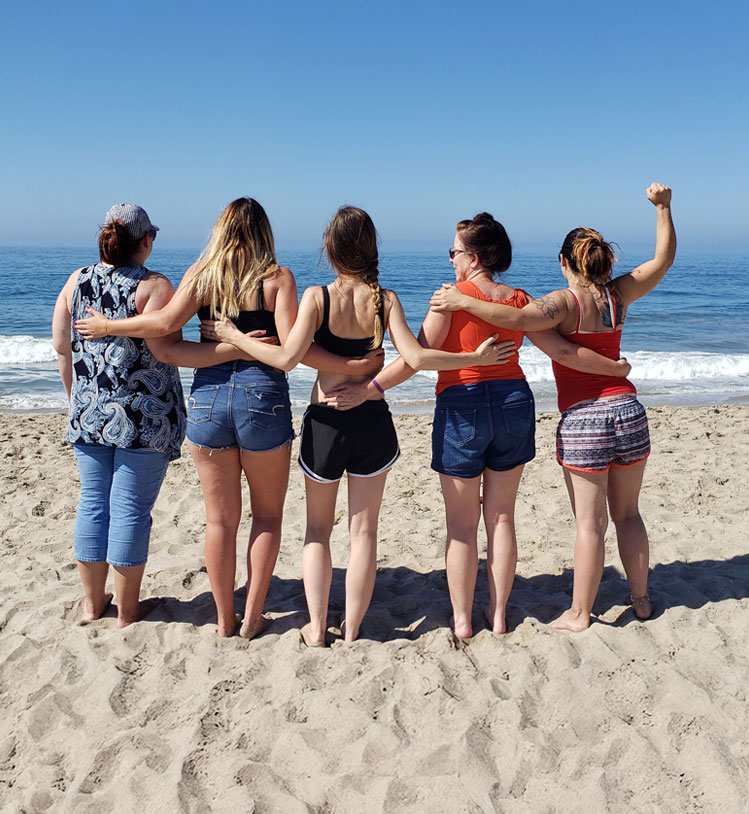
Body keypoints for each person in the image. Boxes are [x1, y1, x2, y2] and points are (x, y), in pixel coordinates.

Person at [202, 205, 514, 645]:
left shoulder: (316, 297)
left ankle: (315, 628)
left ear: (331, 249)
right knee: (363, 532)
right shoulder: (384, 300)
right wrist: (472, 360)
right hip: (371, 420)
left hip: (326, 422)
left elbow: (288, 358)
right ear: (370, 248)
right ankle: (351, 630)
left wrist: (234, 337)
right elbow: (418, 357)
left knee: (317, 531)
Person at [74, 198, 384, 638]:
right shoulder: (277, 280)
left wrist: (109, 327)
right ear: (265, 233)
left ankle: (223, 618)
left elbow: (164, 333)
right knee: (268, 518)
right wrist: (352, 366)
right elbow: (286, 357)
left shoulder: (204, 276)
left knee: (219, 521)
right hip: (263, 401)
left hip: (209, 400)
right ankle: (253, 614)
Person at [324, 213, 633, 640]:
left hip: (462, 405)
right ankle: (501, 614)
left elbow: (418, 356)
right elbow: (562, 350)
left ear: (472, 256)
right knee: (502, 517)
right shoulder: (518, 299)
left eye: (454, 252)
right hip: (513, 403)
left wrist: (371, 388)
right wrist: (614, 368)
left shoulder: (450, 298)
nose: (450, 259)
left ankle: (464, 620)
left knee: (462, 525)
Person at [430, 184, 676, 631]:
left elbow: (523, 322)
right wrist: (663, 209)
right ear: (602, 261)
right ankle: (641, 600)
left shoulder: (564, 302)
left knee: (590, 523)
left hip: (585, 418)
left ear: (565, 262)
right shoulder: (618, 296)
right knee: (629, 514)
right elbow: (662, 261)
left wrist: (464, 299)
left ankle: (580, 613)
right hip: (629, 411)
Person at [52, 204, 186, 628]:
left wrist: (77, 399)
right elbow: (169, 350)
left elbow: (61, 344)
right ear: (144, 241)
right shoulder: (155, 288)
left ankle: (93, 606)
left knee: (93, 505)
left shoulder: (77, 280)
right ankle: (127, 613)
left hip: (89, 415)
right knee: (129, 510)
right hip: (143, 421)